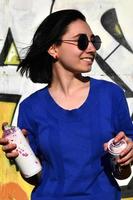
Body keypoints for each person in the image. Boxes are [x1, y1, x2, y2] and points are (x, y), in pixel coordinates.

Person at [0, 9, 133, 200]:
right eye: (81, 42)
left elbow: (122, 173)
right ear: (54, 48)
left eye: (93, 41)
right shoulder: (31, 107)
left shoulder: (111, 95)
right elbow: (37, 179)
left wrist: (124, 159)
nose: (92, 49)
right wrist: (22, 156)